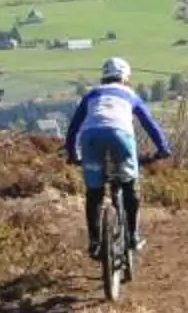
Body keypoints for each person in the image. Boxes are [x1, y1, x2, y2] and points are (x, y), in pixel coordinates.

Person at [64, 56, 169, 258]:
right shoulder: (129, 94)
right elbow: (150, 124)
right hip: (120, 136)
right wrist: (163, 148)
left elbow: (73, 128)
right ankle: (132, 236)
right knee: (129, 184)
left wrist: (73, 153)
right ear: (125, 77)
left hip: (91, 137)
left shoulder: (92, 94)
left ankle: (95, 242)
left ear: (104, 77)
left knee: (94, 192)